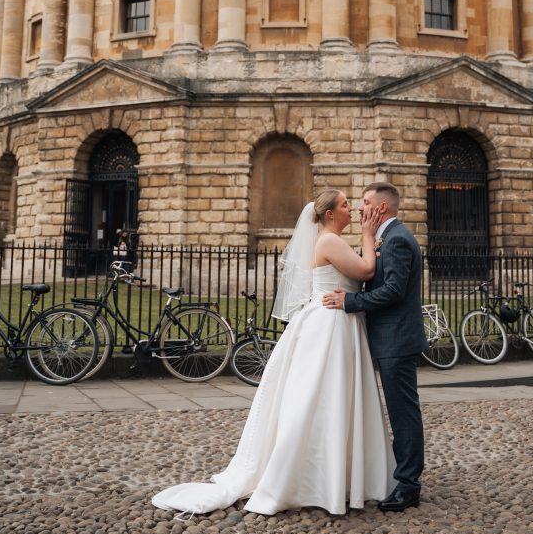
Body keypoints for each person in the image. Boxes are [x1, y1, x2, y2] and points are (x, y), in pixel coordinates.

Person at [151, 189, 395, 516]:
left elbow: (359, 271)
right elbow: (364, 272)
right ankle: (309, 477)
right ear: (329, 214)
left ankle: (336, 476)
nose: (352, 209)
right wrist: (368, 236)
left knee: (332, 399)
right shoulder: (329, 241)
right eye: (345, 205)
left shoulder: (331, 240)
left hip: (340, 323)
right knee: (320, 398)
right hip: (331, 326)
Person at [323, 182, 426, 512]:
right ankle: (402, 477)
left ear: (381, 208)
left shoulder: (396, 240)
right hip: (389, 338)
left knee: (403, 413)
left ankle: (408, 485)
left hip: (396, 339)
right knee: (401, 412)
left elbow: (394, 290)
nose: (359, 208)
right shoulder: (389, 239)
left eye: (365, 202)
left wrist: (350, 301)